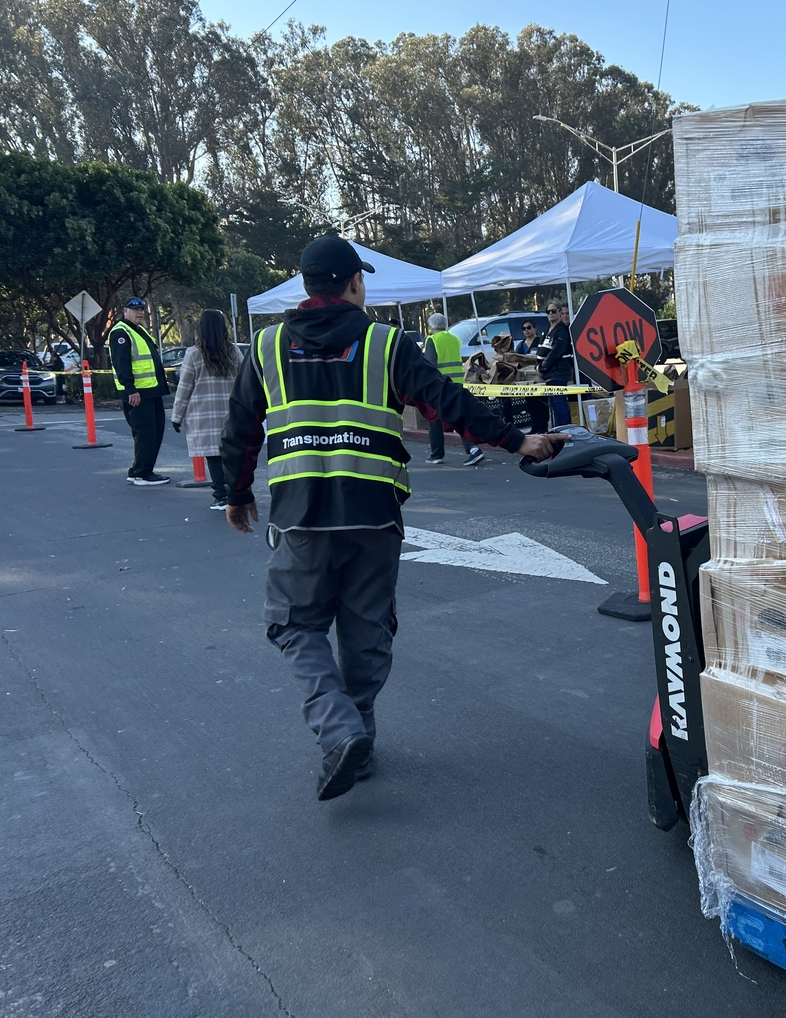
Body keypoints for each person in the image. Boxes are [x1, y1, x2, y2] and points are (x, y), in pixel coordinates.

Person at [219, 235, 566, 802]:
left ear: (308, 285)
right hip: (375, 515)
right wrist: (518, 440)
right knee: (366, 630)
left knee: (294, 624)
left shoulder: (266, 346)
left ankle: (341, 732)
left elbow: (241, 428)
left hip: (302, 517)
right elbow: (447, 403)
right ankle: (359, 740)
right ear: (354, 282)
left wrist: (236, 494)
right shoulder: (386, 343)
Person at [170, 309, 241, 511]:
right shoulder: (234, 351)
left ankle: (220, 495)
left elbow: (185, 388)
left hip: (203, 414)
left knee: (213, 456)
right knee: (231, 455)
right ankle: (235, 491)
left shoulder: (193, 354)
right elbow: (244, 380)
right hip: (230, 413)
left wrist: (177, 417)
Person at [110, 297, 170, 486]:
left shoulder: (138, 330)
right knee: (145, 433)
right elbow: (122, 364)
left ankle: (143, 469)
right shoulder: (121, 332)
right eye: (135, 309)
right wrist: (130, 389)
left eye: (142, 309)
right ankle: (141, 472)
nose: (140, 312)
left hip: (151, 390)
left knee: (155, 431)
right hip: (138, 393)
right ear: (125, 311)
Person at [422, 312, 482, 466]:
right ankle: (473, 449)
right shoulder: (454, 339)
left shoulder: (432, 340)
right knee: (459, 418)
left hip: (440, 386)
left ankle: (436, 454)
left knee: (434, 419)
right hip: (457, 384)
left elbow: (429, 366)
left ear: (431, 326)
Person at [536, 300, 575, 429]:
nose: (551, 314)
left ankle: (565, 429)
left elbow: (557, 352)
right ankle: (557, 430)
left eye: (554, 311)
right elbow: (542, 348)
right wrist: (538, 364)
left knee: (559, 401)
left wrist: (542, 366)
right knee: (553, 402)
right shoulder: (547, 330)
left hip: (559, 372)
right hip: (549, 374)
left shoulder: (562, 330)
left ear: (559, 313)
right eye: (548, 311)